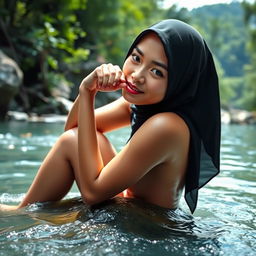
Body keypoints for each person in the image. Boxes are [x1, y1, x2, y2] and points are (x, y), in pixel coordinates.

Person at [0, 19, 220, 214]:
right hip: (124, 207)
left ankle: (21, 216)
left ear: (181, 82)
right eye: (136, 58)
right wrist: (89, 86)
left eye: (157, 72)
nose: (137, 75)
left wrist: (87, 93)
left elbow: (93, 194)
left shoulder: (168, 125)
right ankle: (23, 212)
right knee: (72, 139)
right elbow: (72, 130)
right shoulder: (143, 104)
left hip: (147, 229)